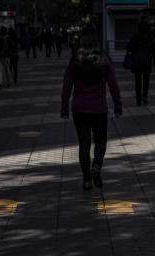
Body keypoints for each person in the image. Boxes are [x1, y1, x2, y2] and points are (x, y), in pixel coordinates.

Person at [60, 34, 122, 191]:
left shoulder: (74, 61)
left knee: (84, 144)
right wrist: (117, 106)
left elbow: (66, 86)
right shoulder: (104, 60)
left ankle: (87, 179)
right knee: (100, 142)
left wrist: (64, 108)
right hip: (99, 109)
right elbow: (113, 85)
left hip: (79, 109)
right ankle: (97, 165)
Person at [126, 21, 155, 105]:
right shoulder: (150, 37)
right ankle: (145, 97)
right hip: (147, 61)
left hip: (137, 61)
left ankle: (138, 99)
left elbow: (128, 47)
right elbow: (154, 51)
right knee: (146, 80)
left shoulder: (135, 37)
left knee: (138, 81)